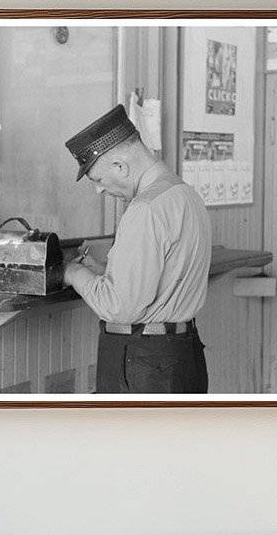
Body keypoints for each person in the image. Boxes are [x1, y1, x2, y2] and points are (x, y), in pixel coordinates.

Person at [63, 104, 211, 394]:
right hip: (183, 356)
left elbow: (121, 307)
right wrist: (104, 273)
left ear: (120, 166)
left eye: (97, 179)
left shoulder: (145, 209)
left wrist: (73, 272)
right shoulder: (185, 195)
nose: (99, 190)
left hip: (145, 363)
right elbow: (164, 277)